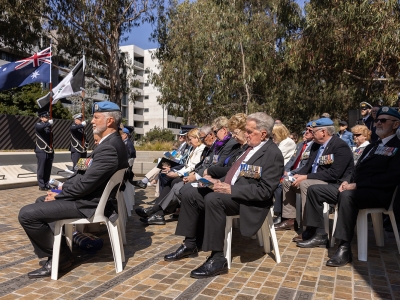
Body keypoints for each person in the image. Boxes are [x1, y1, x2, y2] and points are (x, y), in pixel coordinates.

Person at [163, 112, 284, 279]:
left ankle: (218, 258)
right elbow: (235, 174)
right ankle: (190, 244)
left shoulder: (272, 154)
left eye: (249, 131)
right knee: (191, 190)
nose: (245, 134)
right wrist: (215, 180)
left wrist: (231, 190)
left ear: (263, 134)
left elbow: (264, 191)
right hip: (230, 190)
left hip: (247, 200)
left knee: (214, 199)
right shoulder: (249, 148)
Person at [18, 101, 129, 278]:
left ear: (109, 121)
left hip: (88, 203)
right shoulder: (106, 145)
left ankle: (60, 257)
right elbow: (80, 171)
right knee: (40, 202)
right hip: (86, 197)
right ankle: (60, 251)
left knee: (26, 214)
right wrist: (59, 189)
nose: (92, 121)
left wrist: (60, 194)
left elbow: (85, 184)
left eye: (96, 117)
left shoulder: (109, 147)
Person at [296, 107, 400, 267]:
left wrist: (356, 185)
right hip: (356, 188)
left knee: (347, 196)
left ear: (395, 124)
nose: (378, 122)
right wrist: (346, 181)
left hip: (378, 193)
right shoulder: (372, 146)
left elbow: (390, 178)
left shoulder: (397, 147)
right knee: (314, 189)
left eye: (383, 120)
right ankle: (319, 233)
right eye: (377, 120)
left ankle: (344, 247)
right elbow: (356, 169)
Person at [274, 118, 354, 233]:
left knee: (306, 184)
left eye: (313, 131)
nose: (311, 133)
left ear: (323, 132)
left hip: (331, 182)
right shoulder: (316, 146)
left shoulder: (340, 146)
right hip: (315, 178)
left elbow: (334, 174)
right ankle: (290, 219)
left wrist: (306, 177)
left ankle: (308, 226)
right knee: (287, 181)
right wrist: (297, 175)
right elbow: (308, 167)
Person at [137, 128, 206, 225]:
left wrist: (177, 174)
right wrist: (174, 171)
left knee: (173, 182)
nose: (189, 141)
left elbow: (192, 167)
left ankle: (155, 211)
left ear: (197, 138)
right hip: (186, 172)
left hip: (192, 176)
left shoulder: (201, 149)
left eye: (190, 139)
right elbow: (186, 165)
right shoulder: (194, 148)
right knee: (166, 177)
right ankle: (157, 213)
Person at [273, 122, 314, 224]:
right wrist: (286, 170)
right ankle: (285, 216)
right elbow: (292, 160)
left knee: (279, 186)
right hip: (291, 172)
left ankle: (281, 215)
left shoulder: (314, 146)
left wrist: (290, 173)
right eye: (306, 129)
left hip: (300, 174)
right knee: (276, 182)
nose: (306, 132)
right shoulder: (301, 144)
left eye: (310, 131)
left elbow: (306, 166)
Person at [131, 125, 195, 189]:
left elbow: (183, 159)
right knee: (161, 168)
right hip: (176, 162)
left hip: (180, 166)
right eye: (180, 136)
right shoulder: (182, 145)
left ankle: (145, 181)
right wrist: (171, 156)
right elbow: (178, 156)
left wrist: (173, 160)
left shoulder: (188, 146)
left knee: (162, 166)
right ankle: (149, 182)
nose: (180, 137)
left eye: (182, 136)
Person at [35, 111, 54, 191]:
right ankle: (41, 185)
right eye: (45, 117)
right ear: (41, 118)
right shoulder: (38, 124)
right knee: (41, 168)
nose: (47, 118)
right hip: (41, 149)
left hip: (49, 150)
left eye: (48, 117)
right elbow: (40, 128)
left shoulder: (48, 126)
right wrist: (49, 123)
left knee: (48, 168)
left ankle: (46, 183)